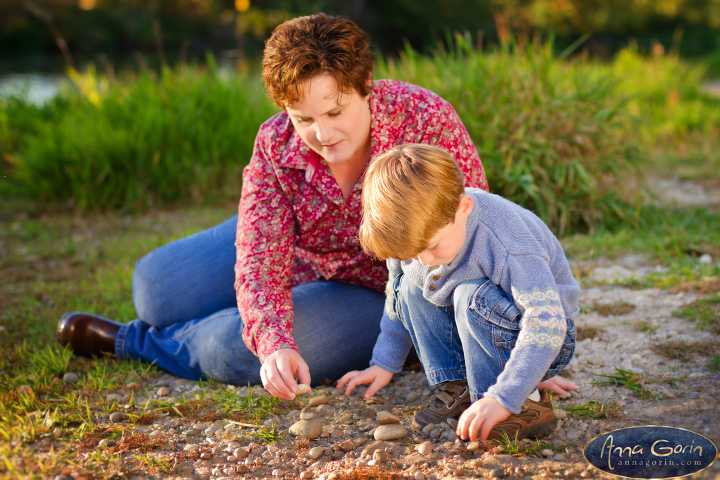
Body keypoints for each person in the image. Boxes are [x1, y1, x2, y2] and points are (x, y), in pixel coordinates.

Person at [57, 13, 489, 400]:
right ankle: (207, 320)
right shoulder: (274, 141)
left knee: (237, 350)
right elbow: (262, 258)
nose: (323, 134)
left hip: (379, 290)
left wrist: (476, 334)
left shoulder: (425, 118)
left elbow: (478, 228)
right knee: (154, 287)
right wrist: (273, 336)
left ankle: (136, 343)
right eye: (303, 119)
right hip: (294, 249)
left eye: (335, 111)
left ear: (365, 86)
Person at [337, 144, 579, 443]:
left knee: (470, 294)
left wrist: (517, 383)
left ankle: (525, 404)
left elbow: (546, 320)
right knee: (411, 285)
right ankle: (461, 385)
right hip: (481, 325)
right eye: (413, 253)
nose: (424, 260)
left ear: (462, 209)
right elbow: (396, 298)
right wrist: (384, 362)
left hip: (545, 332)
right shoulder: (412, 233)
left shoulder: (506, 242)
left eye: (433, 246)